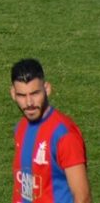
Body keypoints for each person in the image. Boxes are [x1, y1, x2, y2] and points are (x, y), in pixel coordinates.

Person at [10, 59, 92, 203]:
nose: (29, 103)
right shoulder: (21, 128)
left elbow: (83, 198)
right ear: (13, 94)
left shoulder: (64, 135)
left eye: (35, 93)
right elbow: (27, 190)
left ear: (47, 89)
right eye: (22, 95)